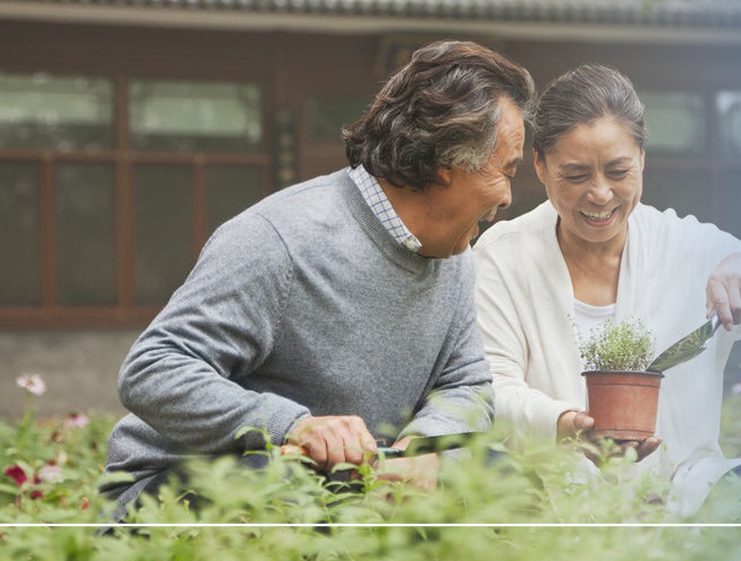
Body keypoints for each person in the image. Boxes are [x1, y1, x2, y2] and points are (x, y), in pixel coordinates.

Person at [100, 40, 535, 518]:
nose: (508, 197)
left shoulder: (454, 255)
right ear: (446, 163)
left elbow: (467, 382)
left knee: (504, 479)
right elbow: (152, 370)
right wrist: (293, 426)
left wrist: (426, 449)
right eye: (506, 172)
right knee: (301, 489)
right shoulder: (279, 238)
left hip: (353, 482)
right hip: (183, 487)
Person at [472, 64, 741, 515]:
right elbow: (489, 389)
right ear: (539, 165)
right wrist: (565, 424)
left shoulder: (691, 250)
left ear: (642, 158)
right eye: (576, 175)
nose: (600, 194)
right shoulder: (504, 256)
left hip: (684, 499)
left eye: (618, 171)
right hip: (551, 501)